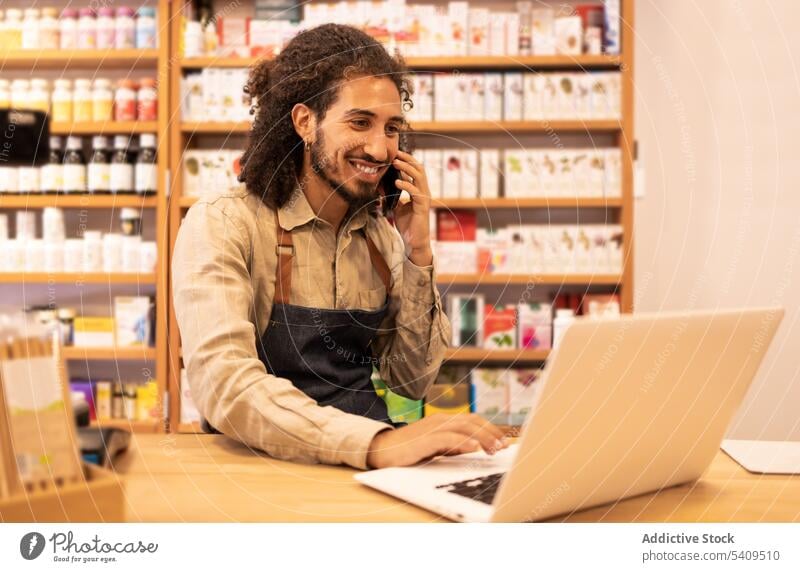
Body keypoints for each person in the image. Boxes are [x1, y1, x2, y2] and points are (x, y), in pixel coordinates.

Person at [172, 24, 508, 470]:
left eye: (392, 128)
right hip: (262, 470)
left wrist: (418, 251)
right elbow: (225, 385)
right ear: (304, 121)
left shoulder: (381, 238)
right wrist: (374, 444)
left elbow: (413, 381)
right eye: (360, 122)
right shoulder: (224, 222)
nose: (379, 148)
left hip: (373, 469)